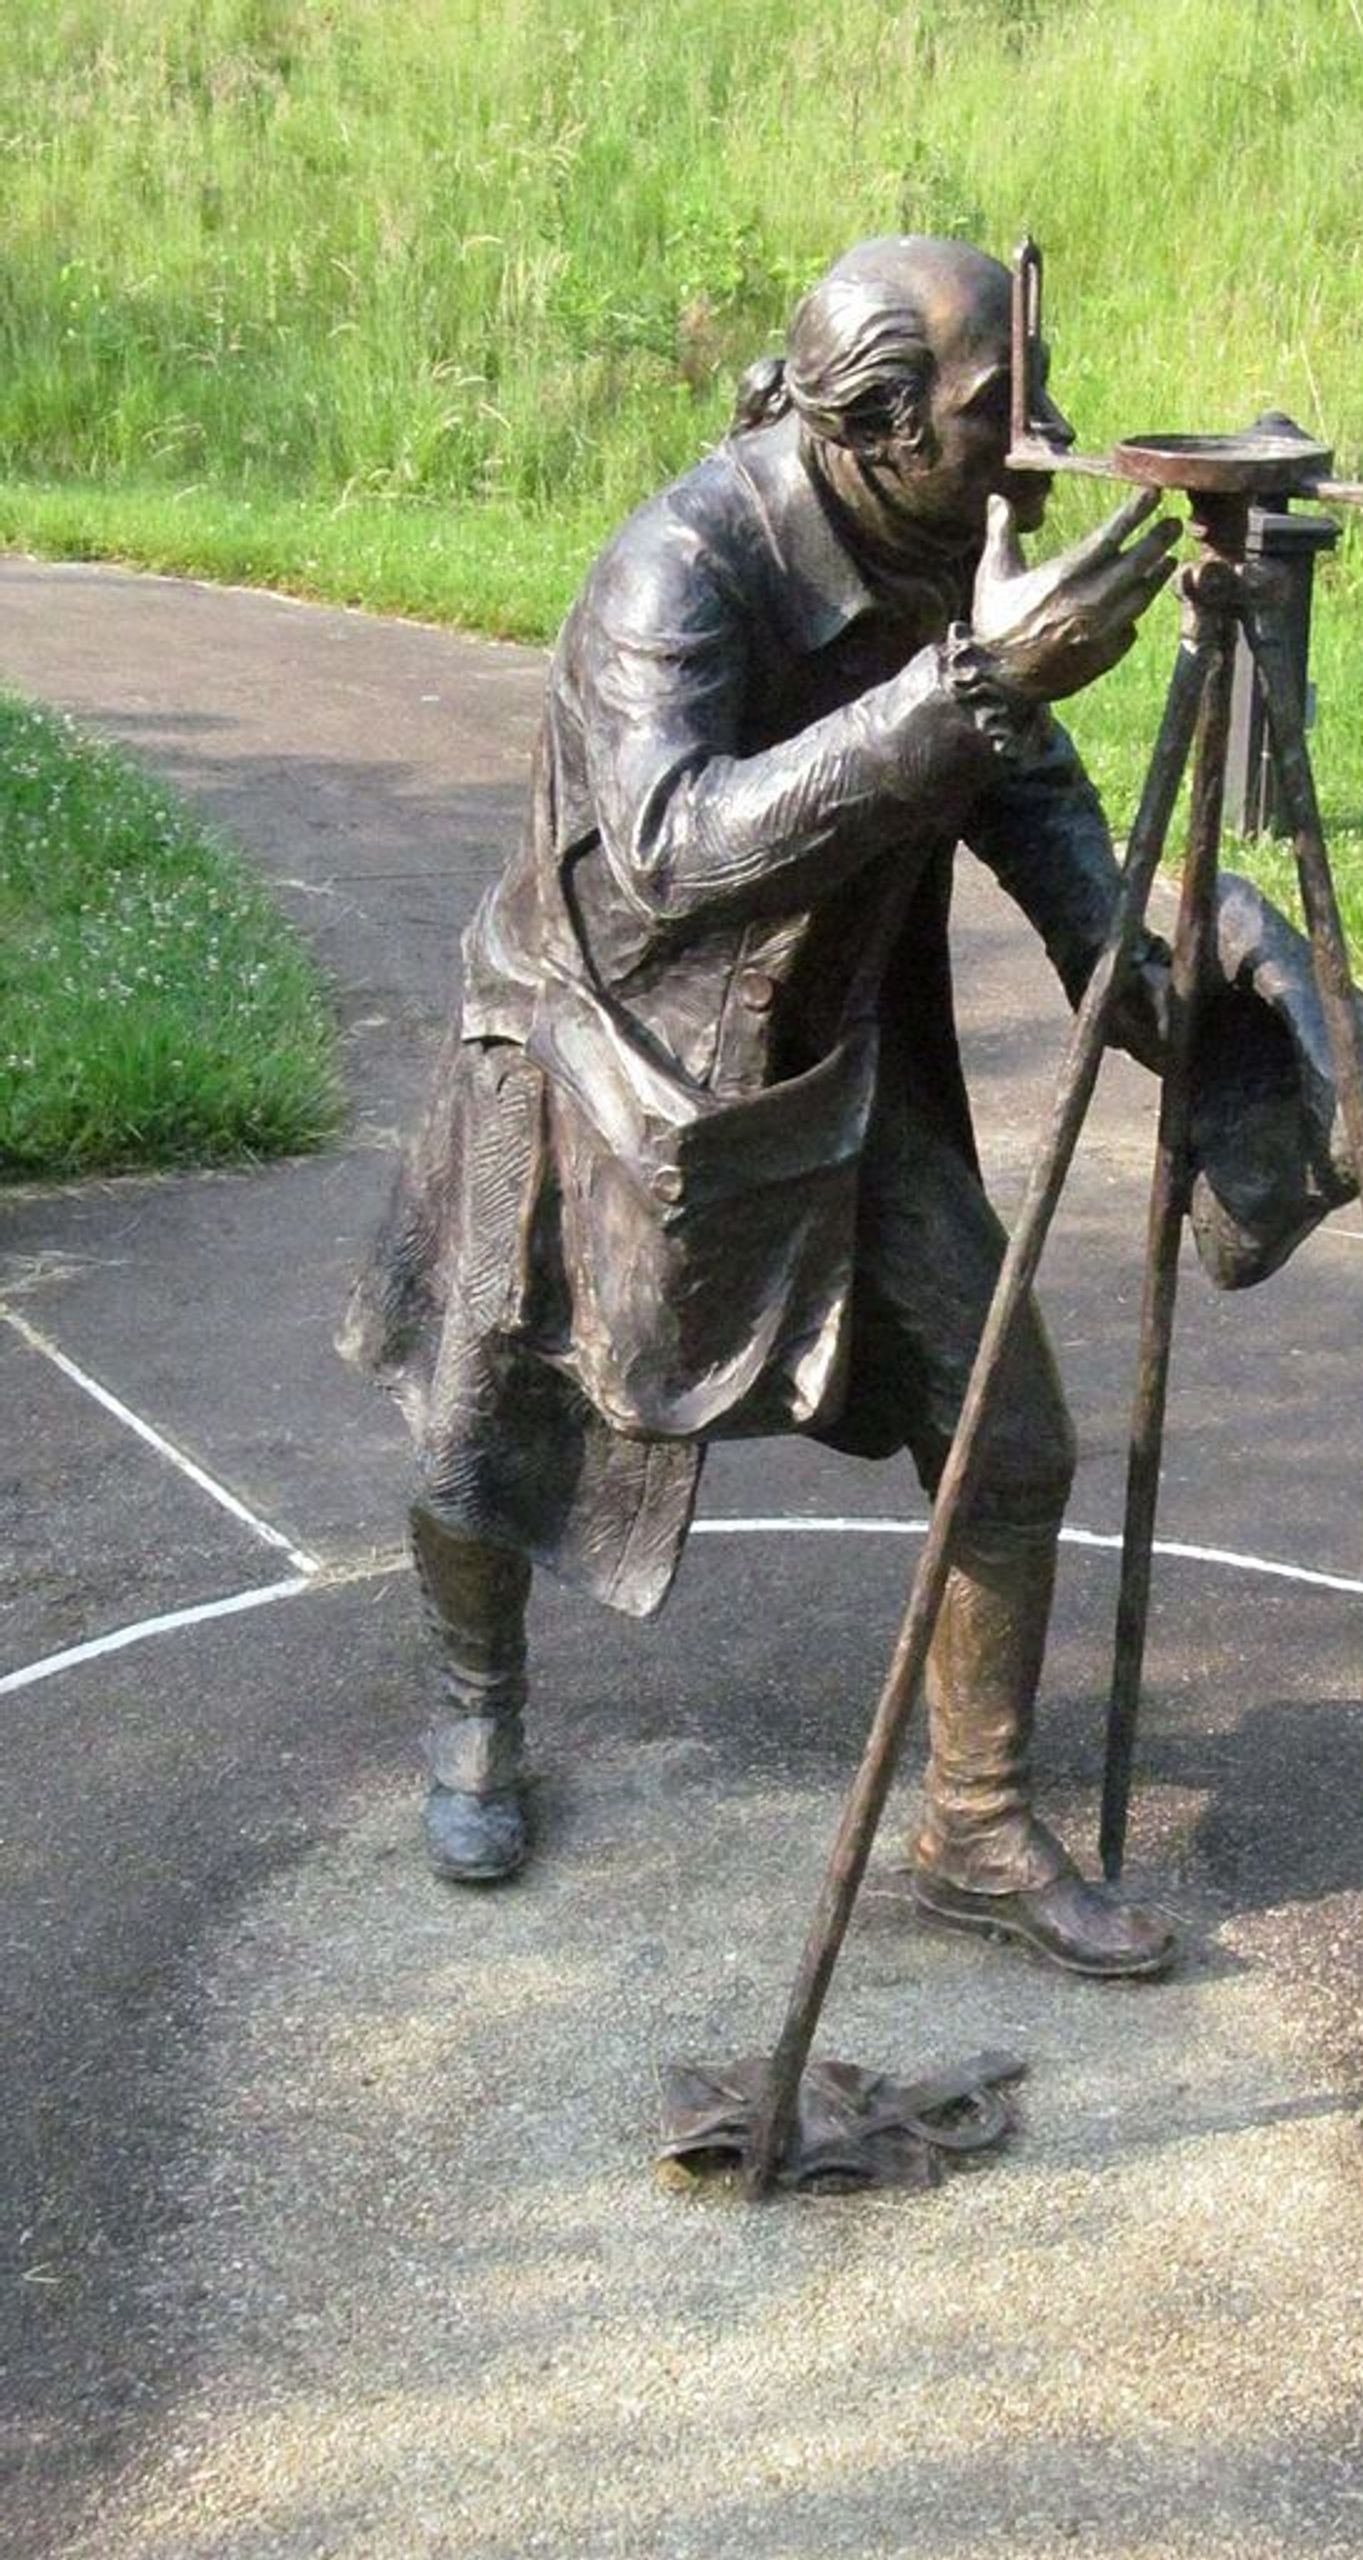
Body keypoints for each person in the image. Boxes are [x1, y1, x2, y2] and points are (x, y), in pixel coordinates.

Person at [341, 235, 1182, 1977]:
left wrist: (1124, 948)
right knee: (488, 1420)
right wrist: (970, 689)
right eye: (997, 411)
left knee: (1008, 1431)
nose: (1046, 439)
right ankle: (475, 1707)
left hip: (823, 1064)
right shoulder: (679, 572)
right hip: (597, 1059)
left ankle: (972, 1823)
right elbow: (671, 851)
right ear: (875, 429)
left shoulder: (952, 540)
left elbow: (1024, 781)